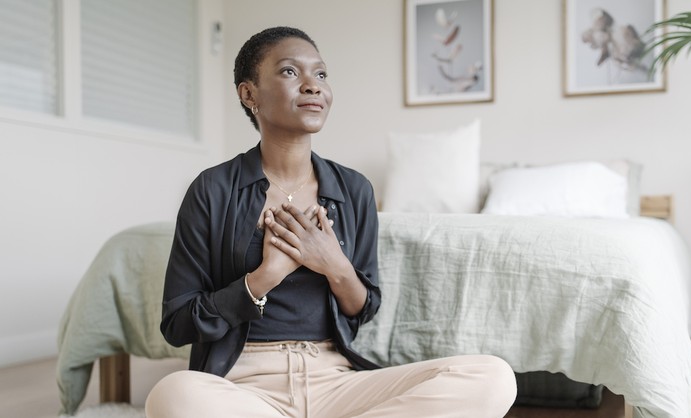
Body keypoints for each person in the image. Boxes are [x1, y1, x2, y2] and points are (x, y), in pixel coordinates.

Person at [144, 26, 517, 418]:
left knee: (492, 377)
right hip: (244, 384)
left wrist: (333, 263)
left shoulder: (353, 189)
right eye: (290, 72)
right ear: (248, 93)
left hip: (336, 381)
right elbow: (178, 323)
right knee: (171, 395)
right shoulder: (213, 189)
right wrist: (265, 277)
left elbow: (362, 308)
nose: (312, 86)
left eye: (320, 74)